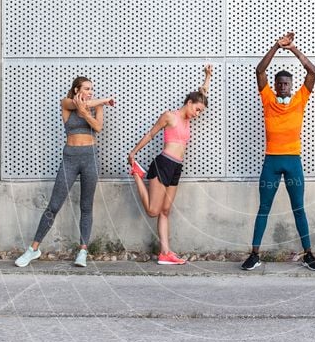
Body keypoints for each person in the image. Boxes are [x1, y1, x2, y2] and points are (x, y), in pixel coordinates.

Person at [241, 32, 315, 271]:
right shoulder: (268, 99)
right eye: (280, 84)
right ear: (275, 86)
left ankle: (308, 254)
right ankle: (255, 254)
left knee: (299, 207)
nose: (284, 87)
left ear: (291, 86)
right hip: (271, 163)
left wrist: (293, 49)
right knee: (264, 207)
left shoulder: (299, 98)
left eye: (287, 84)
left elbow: (312, 72)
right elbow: (259, 71)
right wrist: (277, 46)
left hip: (293, 161)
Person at [15, 77, 115, 268]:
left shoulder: (96, 107)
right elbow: (77, 104)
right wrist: (100, 101)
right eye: (87, 88)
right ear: (77, 89)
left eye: (92, 89)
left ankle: (83, 251)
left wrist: (87, 113)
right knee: (53, 205)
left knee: (86, 206)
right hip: (70, 158)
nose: (91, 92)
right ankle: (33, 250)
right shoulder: (66, 103)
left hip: (90, 157)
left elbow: (98, 127)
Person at [127, 65, 212, 265]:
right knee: (153, 211)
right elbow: (150, 134)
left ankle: (165, 252)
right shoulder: (170, 116)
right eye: (197, 109)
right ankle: (137, 174)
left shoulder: (188, 118)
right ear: (188, 102)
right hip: (163, 164)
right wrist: (133, 153)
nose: (197, 114)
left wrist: (207, 77)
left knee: (166, 211)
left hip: (176, 168)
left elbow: (203, 93)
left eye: (200, 112)